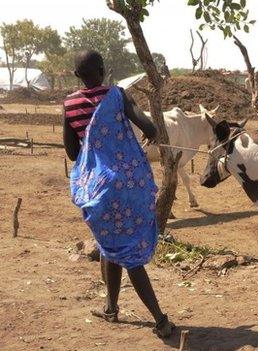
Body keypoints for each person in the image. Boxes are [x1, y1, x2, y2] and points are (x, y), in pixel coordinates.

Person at [63, 50, 175, 338]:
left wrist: (93, 142)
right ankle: (151, 318)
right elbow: (149, 127)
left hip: (97, 192)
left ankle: (136, 313)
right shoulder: (118, 95)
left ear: (77, 75)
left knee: (115, 246)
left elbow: (73, 152)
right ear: (103, 69)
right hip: (130, 187)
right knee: (119, 250)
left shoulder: (70, 104)